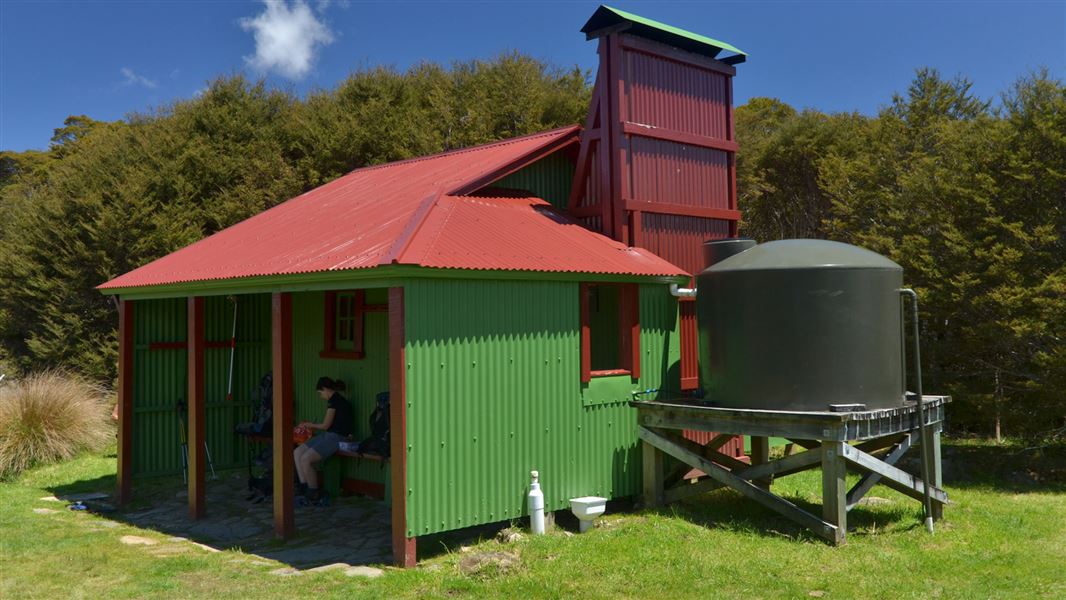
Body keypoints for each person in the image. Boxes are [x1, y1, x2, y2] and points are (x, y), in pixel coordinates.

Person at [293, 376, 353, 505]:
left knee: (305, 459)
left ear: (325, 389)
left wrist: (309, 425)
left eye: (320, 393)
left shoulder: (335, 402)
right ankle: (304, 487)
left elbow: (325, 425)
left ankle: (313, 492)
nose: (321, 396)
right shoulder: (335, 401)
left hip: (337, 437)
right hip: (329, 435)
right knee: (297, 452)